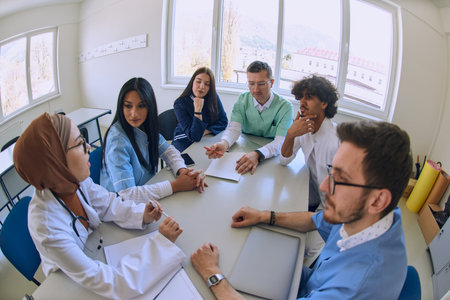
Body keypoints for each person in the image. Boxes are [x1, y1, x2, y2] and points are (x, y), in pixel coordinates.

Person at [191, 121, 412, 299]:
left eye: (341, 180)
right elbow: (315, 219)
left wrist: (212, 274)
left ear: (377, 200)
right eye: (331, 172)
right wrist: (264, 215)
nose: (325, 186)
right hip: (313, 281)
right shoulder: (374, 216)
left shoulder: (353, 289)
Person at [13, 113, 186, 299]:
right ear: (57, 161)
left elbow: (108, 203)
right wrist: (160, 245)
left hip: (95, 250)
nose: (88, 147)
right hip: (71, 285)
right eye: (79, 143)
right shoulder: (46, 225)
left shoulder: (73, 181)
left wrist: (141, 214)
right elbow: (114, 283)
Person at [100, 77, 206, 193]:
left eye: (141, 106)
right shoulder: (117, 140)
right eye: (128, 106)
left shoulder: (146, 127)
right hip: (122, 205)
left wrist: (182, 171)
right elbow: (127, 194)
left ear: (149, 107)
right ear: (121, 107)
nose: (134, 113)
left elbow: (169, 152)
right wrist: (176, 186)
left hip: (146, 192)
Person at [205, 61, 293, 175]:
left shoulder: (285, 107)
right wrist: (224, 143)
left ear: (271, 82)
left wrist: (258, 154)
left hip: (270, 156)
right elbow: (234, 129)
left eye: (261, 83)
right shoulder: (242, 100)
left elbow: (281, 142)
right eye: (251, 83)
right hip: (242, 150)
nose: (256, 89)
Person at [280, 75, 339, 212]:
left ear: (324, 103)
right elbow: (284, 160)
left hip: (330, 208)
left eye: (309, 97)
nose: (302, 102)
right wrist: (290, 135)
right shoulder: (303, 126)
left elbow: (335, 196)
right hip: (314, 194)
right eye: (301, 97)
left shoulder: (335, 142)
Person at [172, 67, 228, 152]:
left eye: (207, 84)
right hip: (183, 142)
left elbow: (223, 122)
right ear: (192, 82)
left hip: (205, 140)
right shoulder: (180, 103)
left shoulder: (214, 98)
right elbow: (195, 136)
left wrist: (206, 131)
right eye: (198, 81)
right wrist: (198, 110)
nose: (202, 86)